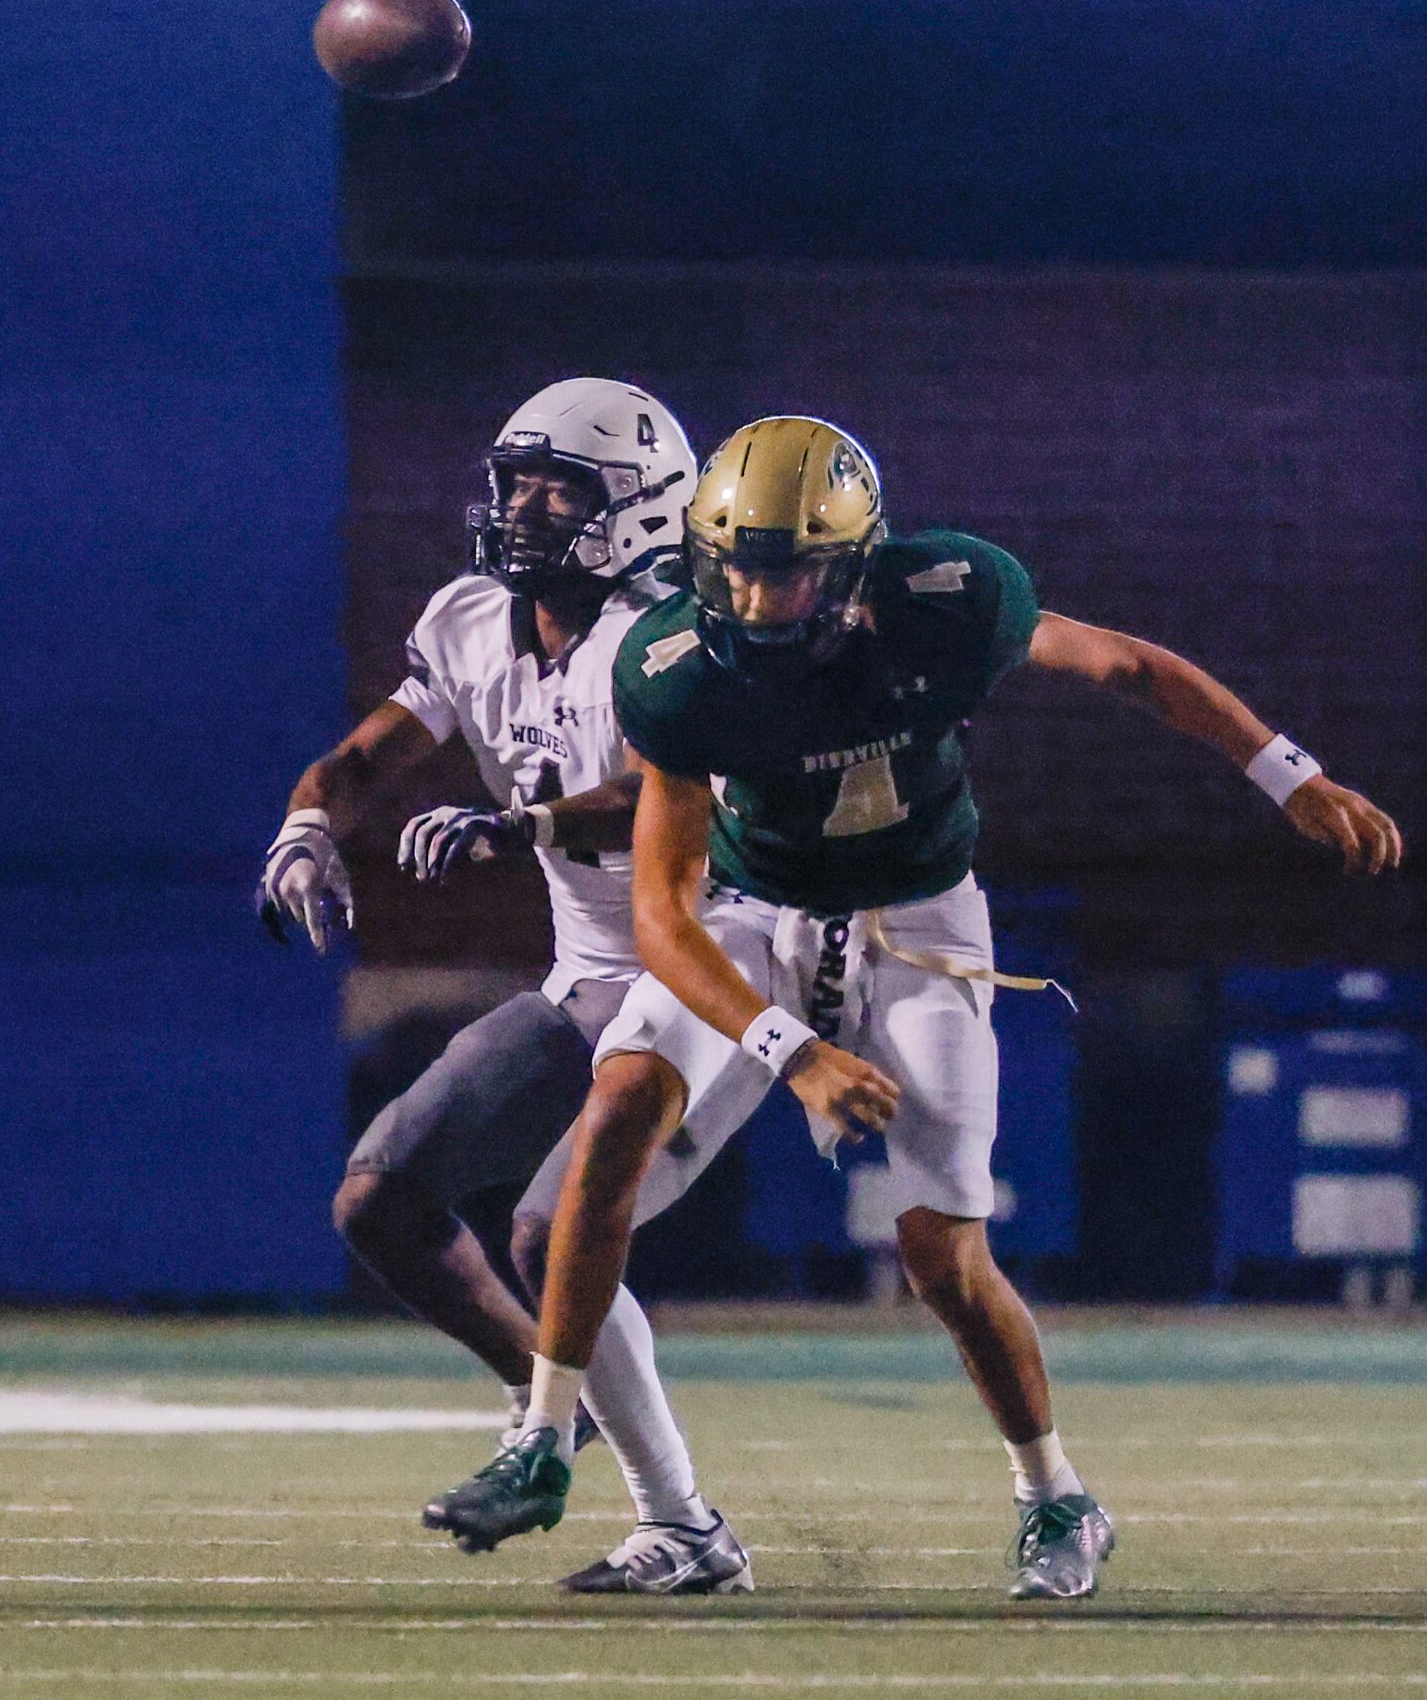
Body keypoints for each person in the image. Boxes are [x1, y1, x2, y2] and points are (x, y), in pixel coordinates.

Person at [425, 415, 1403, 1599]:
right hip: (755, 912)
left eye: (783, 569)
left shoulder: (951, 599)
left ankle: (1057, 1497)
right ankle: (549, 1435)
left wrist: (1288, 776)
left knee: (941, 1251)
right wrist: (793, 1056)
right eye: (731, 562)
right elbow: (665, 921)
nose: (753, 591)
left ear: (850, 564)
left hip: (921, 925)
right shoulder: (675, 671)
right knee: (621, 1102)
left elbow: (1129, 668)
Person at [261, 380, 751, 1593]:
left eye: (561, 487)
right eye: (520, 479)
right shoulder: (475, 618)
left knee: (548, 1225)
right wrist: (306, 826)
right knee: (380, 1200)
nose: (525, 506)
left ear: (639, 509)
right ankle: (556, 1399)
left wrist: (516, 821)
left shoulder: (674, 632)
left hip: (713, 972)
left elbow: (658, 793)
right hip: (590, 981)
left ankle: (680, 1524)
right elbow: (366, 753)